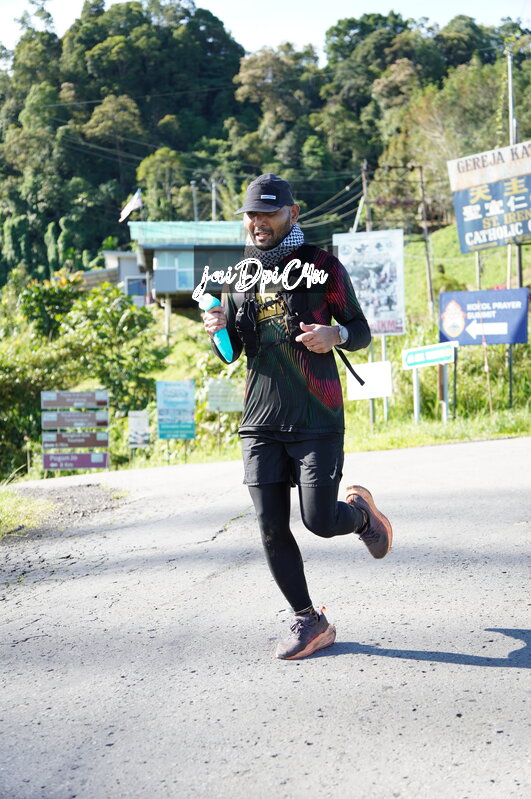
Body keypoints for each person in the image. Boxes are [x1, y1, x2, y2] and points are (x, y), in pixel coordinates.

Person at [202, 174, 393, 660]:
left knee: (319, 521)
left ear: (293, 212)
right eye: (251, 214)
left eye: (268, 212)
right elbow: (233, 353)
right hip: (259, 419)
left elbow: (361, 329)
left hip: (316, 415)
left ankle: (362, 515)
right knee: (269, 524)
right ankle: (310, 620)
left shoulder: (323, 267)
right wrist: (217, 329)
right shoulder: (238, 277)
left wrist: (335, 336)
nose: (258, 222)